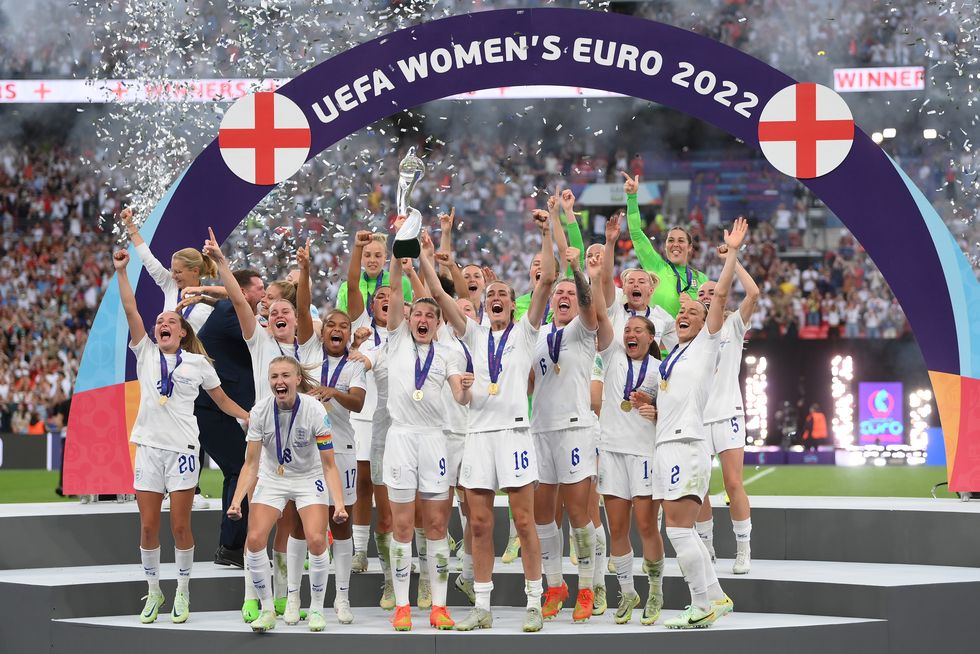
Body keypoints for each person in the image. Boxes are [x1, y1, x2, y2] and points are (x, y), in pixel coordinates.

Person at [420, 211, 556, 633]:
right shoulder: (475, 333)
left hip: (513, 433)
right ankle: (481, 605)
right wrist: (425, 258)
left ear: (512, 304)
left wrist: (547, 232)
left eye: (502, 293)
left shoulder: (526, 333)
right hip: (477, 434)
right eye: (491, 293)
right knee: (478, 523)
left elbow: (547, 280)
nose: (495, 296)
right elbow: (442, 299)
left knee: (523, 521)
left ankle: (535, 600)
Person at [112, 249, 248, 625]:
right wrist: (122, 272)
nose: (161, 324)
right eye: (159, 322)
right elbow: (130, 310)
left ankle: (183, 592)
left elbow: (221, 401)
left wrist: (249, 416)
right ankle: (154, 590)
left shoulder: (199, 363)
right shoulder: (145, 354)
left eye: (169, 320)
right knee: (147, 526)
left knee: (181, 527)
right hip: (150, 448)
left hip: (184, 451)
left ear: (183, 331)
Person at [204, 229, 322, 623]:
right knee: (259, 525)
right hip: (264, 442)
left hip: (303, 446)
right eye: (272, 313)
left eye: (284, 312)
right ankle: (253, 598)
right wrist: (221, 262)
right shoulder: (258, 342)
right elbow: (239, 300)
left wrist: (304, 273)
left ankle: (291, 599)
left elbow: (304, 308)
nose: (279, 316)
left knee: (291, 526)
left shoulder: (306, 346)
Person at [647, 217, 747, 629]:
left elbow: (720, 294)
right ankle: (717, 597)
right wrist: (650, 401)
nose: (686, 315)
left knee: (679, 532)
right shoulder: (674, 353)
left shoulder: (706, 344)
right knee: (682, 532)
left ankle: (700, 603)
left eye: (694, 311)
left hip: (686, 446)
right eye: (682, 312)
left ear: (706, 321)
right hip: (670, 443)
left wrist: (733, 254)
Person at [382, 250, 474, 631]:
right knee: (402, 527)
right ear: (408, 318)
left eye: (430, 315)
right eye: (417, 314)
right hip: (400, 438)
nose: (423, 319)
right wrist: (397, 252)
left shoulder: (450, 351)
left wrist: (467, 391)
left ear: (438, 322)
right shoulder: (396, 340)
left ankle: (439, 606)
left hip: (435, 440)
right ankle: (402, 606)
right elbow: (396, 294)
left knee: (437, 527)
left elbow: (459, 395)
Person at [228, 357, 348, 633]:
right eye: (274, 377)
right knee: (255, 539)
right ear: (269, 382)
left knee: (317, 540)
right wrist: (236, 501)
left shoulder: (316, 411)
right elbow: (251, 463)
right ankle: (267, 609)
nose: (279, 382)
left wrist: (338, 504)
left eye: (285, 376)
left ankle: (317, 608)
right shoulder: (259, 412)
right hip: (274, 477)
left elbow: (329, 464)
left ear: (296, 380)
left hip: (309, 477)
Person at [530, 244, 606, 623]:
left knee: (579, 514)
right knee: (543, 515)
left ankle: (588, 587)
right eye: (558, 293)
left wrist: (577, 271)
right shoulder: (538, 334)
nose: (563, 296)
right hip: (540, 428)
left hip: (576, 429)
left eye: (569, 294)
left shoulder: (583, 330)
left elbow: (590, 304)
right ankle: (556, 585)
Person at [298, 240, 367, 624]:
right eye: (331, 325)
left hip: (341, 449)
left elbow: (356, 403)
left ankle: (342, 598)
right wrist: (305, 271)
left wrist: (331, 392)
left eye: (344, 325)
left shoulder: (355, 364)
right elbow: (302, 308)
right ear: (322, 332)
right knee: (310, 526)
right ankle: (311, 601)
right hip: (307, 452)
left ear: (349, 333)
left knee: (340, 525)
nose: (337, 329)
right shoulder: (307, 350)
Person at [694, 244, 761, 575]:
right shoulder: (689, 332)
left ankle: (743, 548)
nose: (707, 295)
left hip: (728, 414)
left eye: (712, 290)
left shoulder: (734, 324)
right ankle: (706, 547)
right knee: (700, 487)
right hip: (697, 419)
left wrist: (731, 262)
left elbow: (754, 292)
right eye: (701, 292)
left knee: (734, 483)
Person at [194, 268, 265, 571]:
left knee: (240, 470)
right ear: (244, 291)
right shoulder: (228, 311)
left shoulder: (227, 308)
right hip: (212, 408)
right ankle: (232, 546)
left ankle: (233, 545)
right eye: (260, 289)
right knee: (240, 468)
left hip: (220, 409)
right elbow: (261, 337)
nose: (263, 295)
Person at [345, 231, 394, 587]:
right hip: (362, 414)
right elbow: (351, 282)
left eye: (390, 296)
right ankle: (360, 549)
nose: (384, 300)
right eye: (379, 297)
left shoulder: (406, 330)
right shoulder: (360, 325)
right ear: (371, 305)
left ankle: (391, 550)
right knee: (362, 483)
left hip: (394, 418)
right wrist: (358, 249)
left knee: (388, 486)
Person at [622, 172, 708, 316]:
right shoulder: (656, 268)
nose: (675, 244)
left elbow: (710, 314)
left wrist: (693, 305)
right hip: (658, 337)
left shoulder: (701, 279)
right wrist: (632, 197)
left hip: (691, 336)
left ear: (690, 247)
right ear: (665, 246)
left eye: (681, 241)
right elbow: (636, 233)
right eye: (671, 240)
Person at [121, 207, 217, 333]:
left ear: (195, 271)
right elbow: (147, 259)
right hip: (167, 351)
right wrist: (130, 226)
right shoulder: (170, 285)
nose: (173, 276)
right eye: (172, 270)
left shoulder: (210, 300)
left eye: (178, 272)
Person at [335, 231, 413, 312]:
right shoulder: (346, 287)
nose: (372, 260)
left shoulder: (402, 283)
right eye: (367, 255)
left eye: (378, 256)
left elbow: (408, 318)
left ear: (385, 258)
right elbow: (342, 320)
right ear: (361, 257)